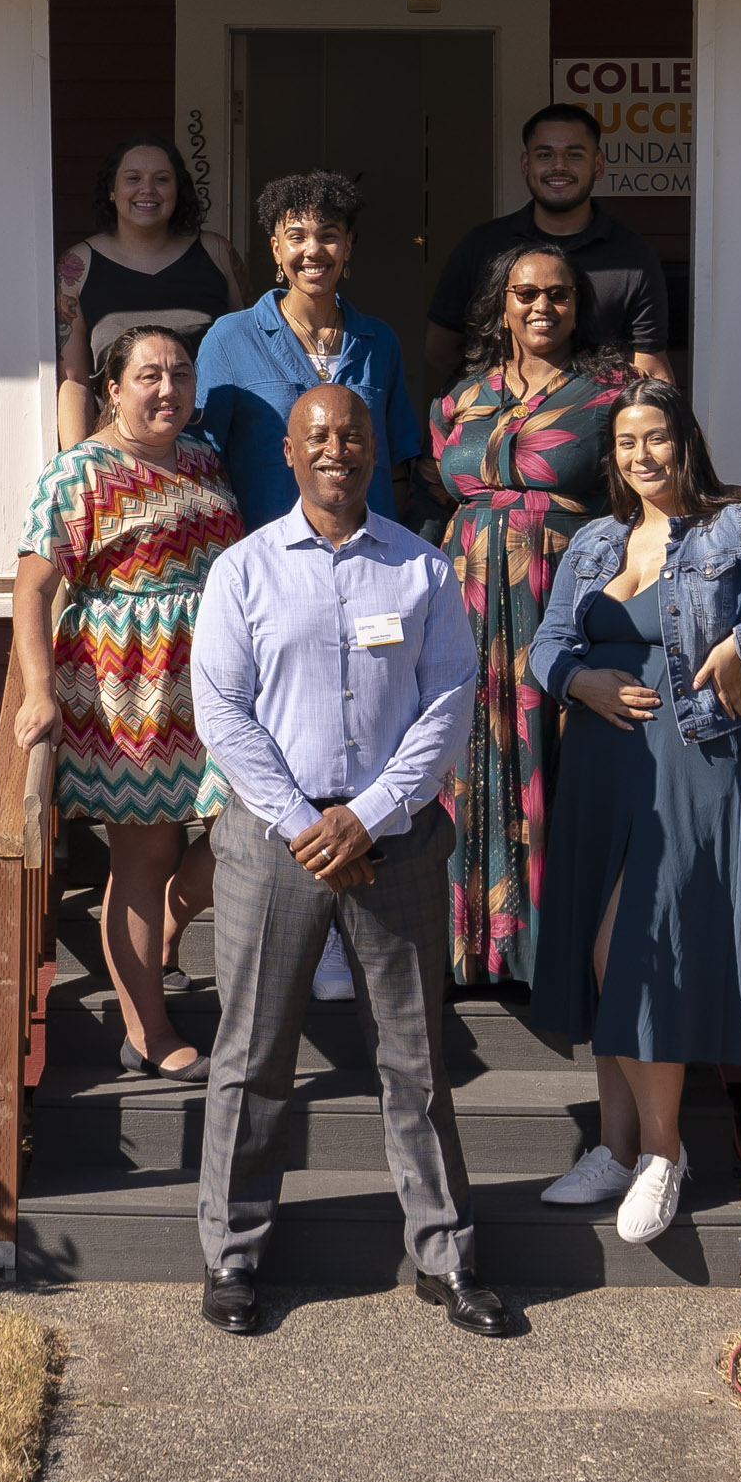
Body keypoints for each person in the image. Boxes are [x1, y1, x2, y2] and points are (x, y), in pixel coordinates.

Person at [187, 383, 506, 1339]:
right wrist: (303, 823)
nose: (336, 449)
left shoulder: (422, 571)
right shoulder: (242, 571)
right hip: (271, 846)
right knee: (250, 1059)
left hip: (393, 843)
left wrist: (364, 818)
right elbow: (222, 713)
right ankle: (233, 1259)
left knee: (414, 1060)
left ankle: (445, 1258)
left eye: (353, 435)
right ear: (288, 453)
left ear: (375, 449)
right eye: (317, 435)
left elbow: (449, 700)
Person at [528, 379, 741, 1242]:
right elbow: (545, 645)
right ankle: (612, 1146)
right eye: (627, 442)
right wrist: (578, 679)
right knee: (606, 959)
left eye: (657, 438)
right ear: (613, 456)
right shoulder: (593, 541)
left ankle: (663, 1154)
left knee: (635, 948)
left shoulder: (733, 529)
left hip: (689, 762)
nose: (643, 456)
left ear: (686, 442)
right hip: (602, 767)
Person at [6, 321, 242, 1076]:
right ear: (112, 389)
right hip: (128, 688)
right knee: (144, 857)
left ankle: (172, 919)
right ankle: (148, 1032)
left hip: (214, 678)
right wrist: (40, 694)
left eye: (179, 374)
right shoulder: (78, 473)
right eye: (149, 376)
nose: (167, 389)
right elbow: (33, 591)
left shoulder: (204, 457)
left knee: (257, 823)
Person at [427, 239, 628, 986]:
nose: (542, 306)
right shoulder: (460, 399)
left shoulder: (611, 395)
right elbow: (434, 494)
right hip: (466, 605)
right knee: (467, 755)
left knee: (552, 757)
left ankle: (547, 951)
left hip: (561, 601)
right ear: (501, 306)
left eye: (558, 294)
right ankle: (471, 948)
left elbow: (662, 474)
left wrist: (727, 498)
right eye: (525, 294)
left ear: (578, 307)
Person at [193, 170, 432, 532]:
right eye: (296, 237)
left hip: (370, 559)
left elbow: (396, 467)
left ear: (348, 245)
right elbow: (202, 460)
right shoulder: (230, 339)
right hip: (265, 559)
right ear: (276, 249)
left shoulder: (379, 341)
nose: (313, 250)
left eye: (328, 236)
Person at [423, 105, 673, 393]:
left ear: (598, 165)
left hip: (598, 429)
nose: (559, 166)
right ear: (526, 165)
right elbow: (439, 348)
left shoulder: (633, 258)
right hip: (496, 426)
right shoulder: (482, 247)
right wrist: (489, 399)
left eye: (574, 154)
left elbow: (650, 369)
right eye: (545, 155)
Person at [54, 136, 243, 450]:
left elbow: (248, 353)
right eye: (133, 179)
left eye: (162, 179)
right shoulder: (77, 267)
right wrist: (80, 462)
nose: (147, 189)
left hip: (212, 448)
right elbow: (74, 382)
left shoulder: (217, 254)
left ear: (177, 189)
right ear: (112, 192)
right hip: (124, 451)